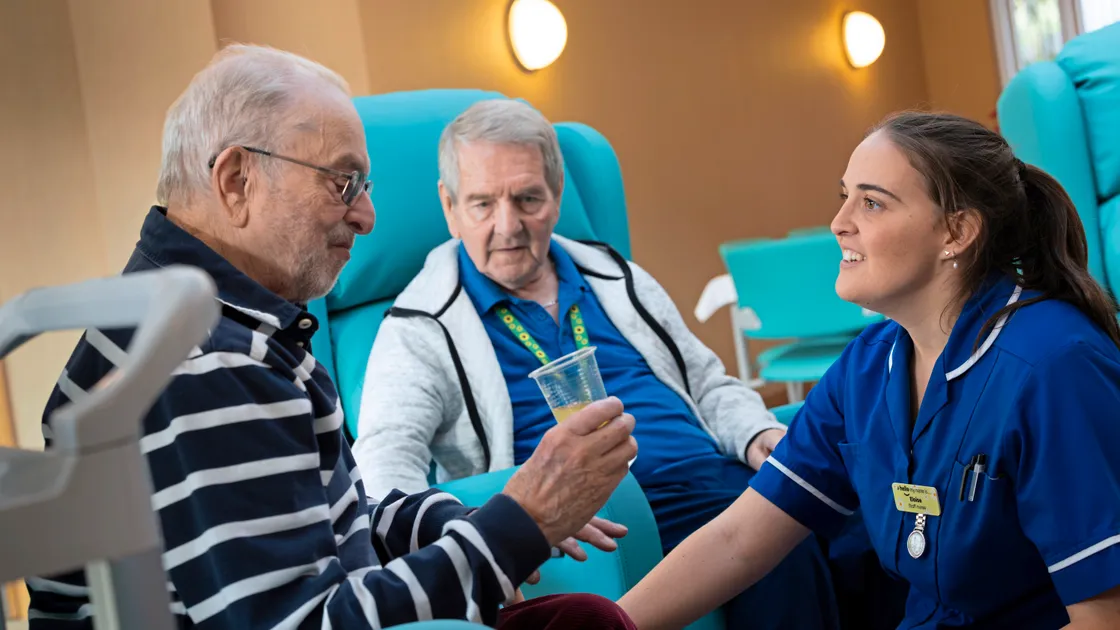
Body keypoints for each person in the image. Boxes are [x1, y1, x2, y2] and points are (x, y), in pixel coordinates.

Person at [26, 44, 640, 630]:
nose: (368, 216)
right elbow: (303, 624)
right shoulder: (204, 363)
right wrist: (517, 526)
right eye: (343, 182)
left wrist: (467, 519)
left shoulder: (224, 321)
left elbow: (327, 526)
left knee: (581, 621)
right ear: (236, 179)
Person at [352, 98, 852, 630]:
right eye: (481, 204)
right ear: (449, 206)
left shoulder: (613, 274)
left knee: (862, 519)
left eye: (527, 199)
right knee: (779, 547)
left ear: (557, 194)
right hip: (611, 518)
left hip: (716, 476)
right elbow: (384, 467)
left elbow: (705, 382)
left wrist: (756, 434)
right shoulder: (421, 325)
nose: (508, 226)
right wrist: (473, 538)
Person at [616, 111, 1120, 630]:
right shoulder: (869, 365)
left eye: (873, 202)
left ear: (957, 231)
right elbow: (739, 540)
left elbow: (1105, 619)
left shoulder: (1057, 366)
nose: (840, 223)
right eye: (845, 197)